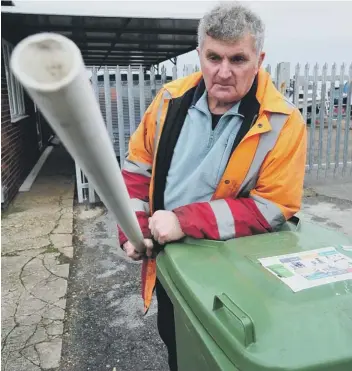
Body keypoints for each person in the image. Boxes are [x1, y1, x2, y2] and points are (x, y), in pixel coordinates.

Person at [118, 2, 307, 370]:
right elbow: (137, 168)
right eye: (213, 57)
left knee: (225, 354)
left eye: (237, 59)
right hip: (171, 265)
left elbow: (274, 207)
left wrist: (183, 222)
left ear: (259, 58)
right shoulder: (169, 100)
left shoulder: (285, 122)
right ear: (199, 54)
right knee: (176, 343)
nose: (223, 72)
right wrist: (133, 229)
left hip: (235, 277)